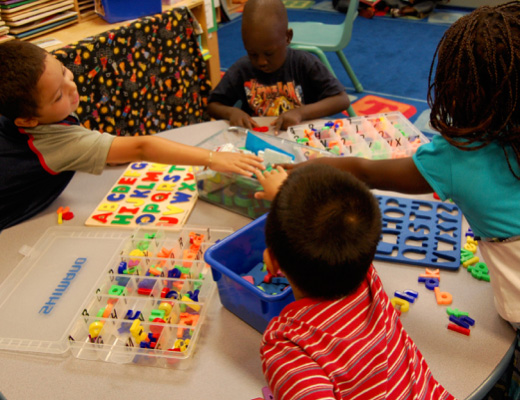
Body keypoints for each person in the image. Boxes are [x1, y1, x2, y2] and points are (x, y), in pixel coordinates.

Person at [0, 40, 264, 231]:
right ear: (27, 120)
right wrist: (211, 158)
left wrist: (107, 151)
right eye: (58, 95)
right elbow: (142, 148)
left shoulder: (27, 111)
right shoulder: (50, 144)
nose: (71, 87)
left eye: (65, 72)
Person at [256, 163, 455, 400]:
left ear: (272, 262)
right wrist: (284, 195)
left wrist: (283, 197)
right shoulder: (366, 275)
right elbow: (330, 226)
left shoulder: (288, 346)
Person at [207, 0, 350, 134]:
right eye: (252, 54)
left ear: (288, 37)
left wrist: (301, 113)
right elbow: (213, 104)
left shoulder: (304, 63)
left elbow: (341, 99)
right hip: (260, 140)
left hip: (301, 137)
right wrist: (232, 112)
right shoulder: (242, 69)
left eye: (269, 53)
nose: (261, 61)